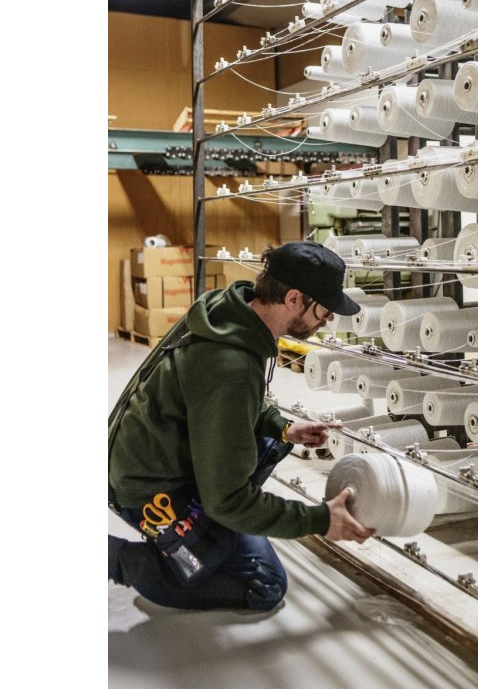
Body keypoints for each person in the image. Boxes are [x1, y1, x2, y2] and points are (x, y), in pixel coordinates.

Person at [108, 241, 374, 612]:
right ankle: (117, 559)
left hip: (151, 452)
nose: (328, 318)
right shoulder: (231, 365)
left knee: (268, 445)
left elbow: (217, 402)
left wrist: (282, 427)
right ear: (293, 298)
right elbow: (228, 500)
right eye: (324, 308)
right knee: (264, 584)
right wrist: (320, 519)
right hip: (147, 488)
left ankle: (215, 527)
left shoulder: (227, 312)